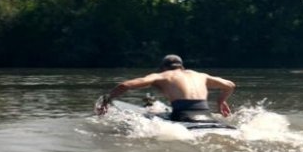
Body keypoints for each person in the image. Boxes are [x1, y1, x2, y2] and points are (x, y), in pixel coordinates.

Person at [96, 54, 236, 122]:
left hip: (183, 117)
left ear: (163, 67)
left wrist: (106, 100)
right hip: (207, 116)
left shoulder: (162, 75)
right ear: (182, 67)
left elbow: (124, 85)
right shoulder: (199, 75)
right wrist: (221, 101)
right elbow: (230, 85)